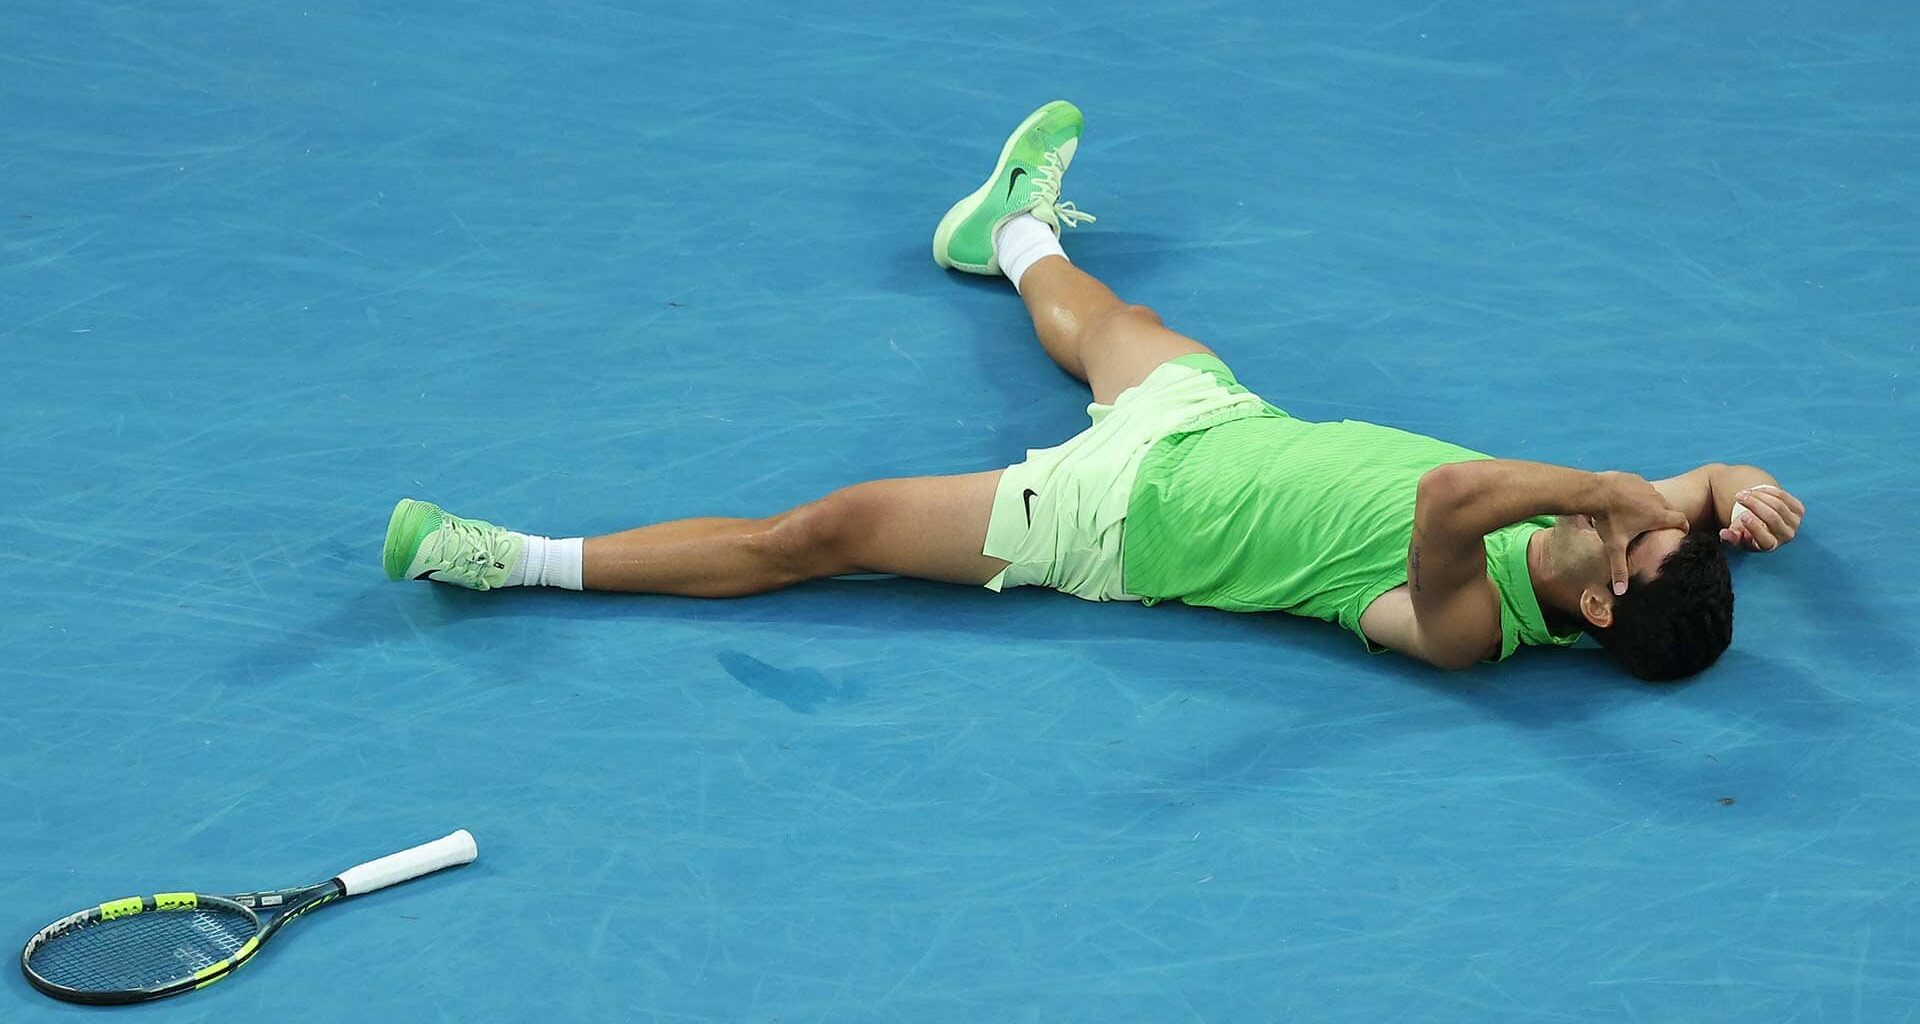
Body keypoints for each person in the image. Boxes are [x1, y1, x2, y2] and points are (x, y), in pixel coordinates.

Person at [381, 101, 1805, 680]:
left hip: (1102, 524)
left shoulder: (1466, 628)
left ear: (1602, 598)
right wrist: (1723, 489)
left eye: (1630, 538)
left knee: (815, 534)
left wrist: (1616, 488)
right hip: (1223, 425)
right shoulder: (1616, 546)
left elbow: (1451, 497)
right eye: (1634, 518)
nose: (1630, 511)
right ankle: (1004, 228)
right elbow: (1692, 488)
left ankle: (515, 564)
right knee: (1112, 319)